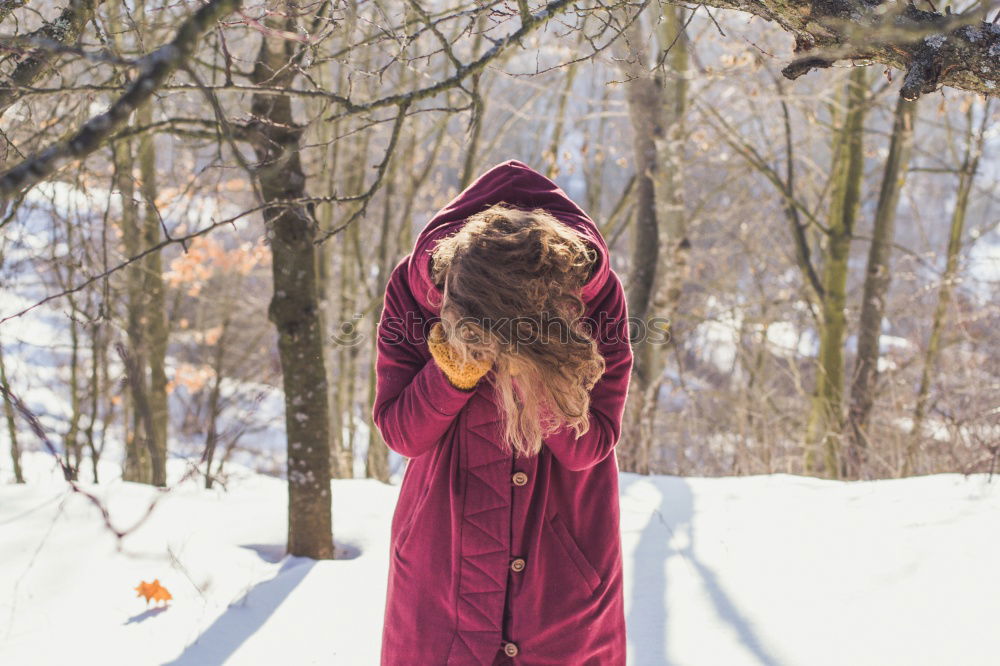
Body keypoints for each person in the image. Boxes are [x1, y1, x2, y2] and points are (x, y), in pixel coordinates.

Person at [373, 159, 633, 665]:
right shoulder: (415, 290)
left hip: (564, 571)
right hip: (440, 561)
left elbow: (591, 445)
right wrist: (454, 368)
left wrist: (533, 369)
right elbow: (401, 433)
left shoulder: (596, 296)